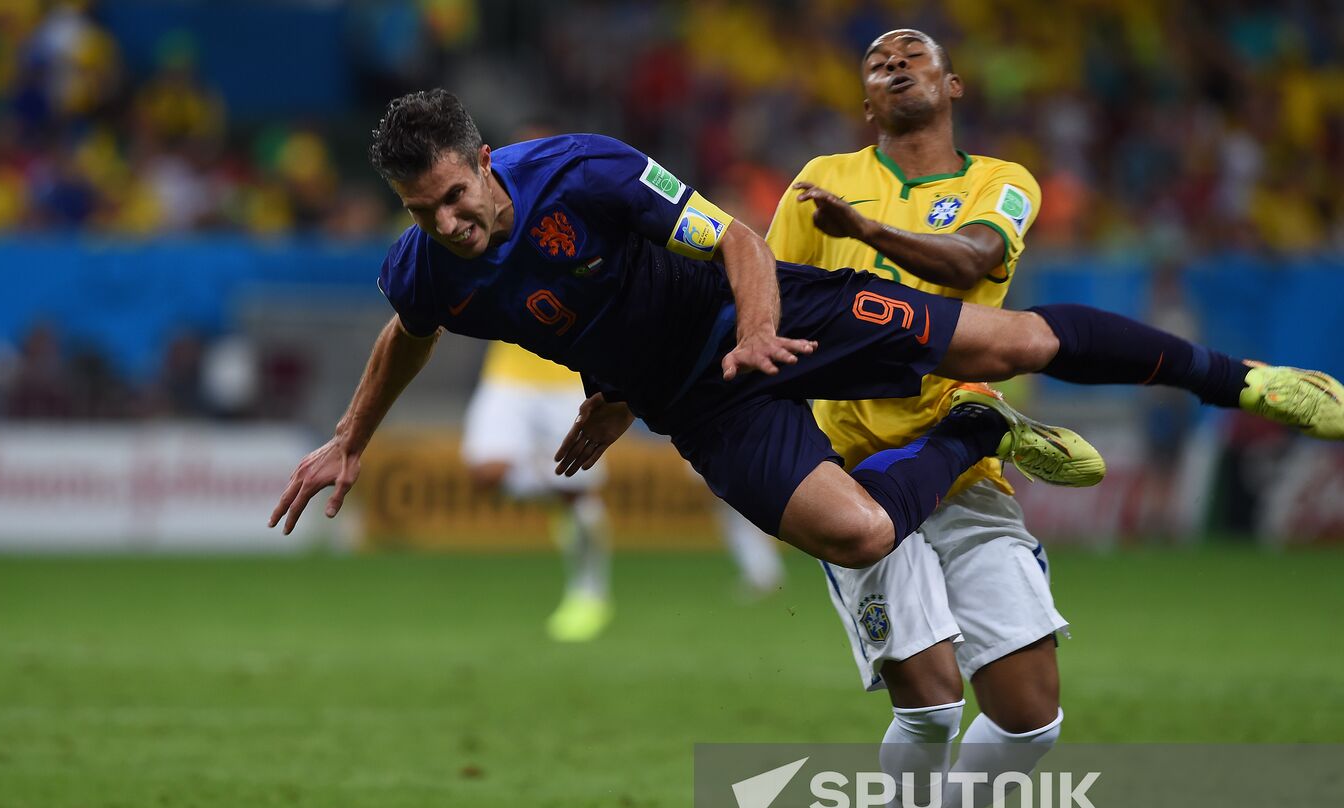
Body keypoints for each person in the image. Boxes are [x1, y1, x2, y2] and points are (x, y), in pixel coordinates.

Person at [269, 89, 1340, 611]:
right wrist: (349, 437)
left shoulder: (583, 171)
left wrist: (762, 327)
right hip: (704, 408)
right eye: (424, 212)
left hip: (778, 317)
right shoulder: (427, 265)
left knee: (1007, 338)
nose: (449, 224)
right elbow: (404, 336)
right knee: (863, 534)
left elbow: (733, 237)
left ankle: (1244, 381)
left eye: (456, 197)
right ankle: (970, 430)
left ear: (485, 162)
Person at [764, 28, 1058, 808]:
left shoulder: (1004, 181)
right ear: (867, 103)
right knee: (931, 706)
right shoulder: (823, 179)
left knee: (1030, 725)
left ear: (953, 84)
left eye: (913, 55)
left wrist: (869, 235)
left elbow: (971, 262)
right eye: (877, 63)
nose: (892, 62)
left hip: (967, 467)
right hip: (855, 478)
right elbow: (762, 297)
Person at [463, 339, 613, 641]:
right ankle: (552, 480)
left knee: (579, 492)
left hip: (571, 372)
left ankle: (589, 593)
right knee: (485, 473)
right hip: (509, 370)